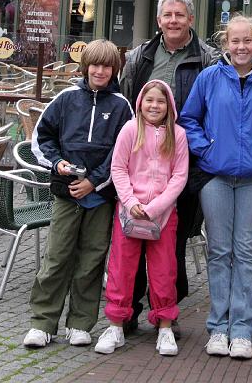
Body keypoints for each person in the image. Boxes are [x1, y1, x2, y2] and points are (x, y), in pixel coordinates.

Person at [179, 15, 252, 360]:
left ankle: (242, 330)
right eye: (235, 41)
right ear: (226, 44)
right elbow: (189, 119)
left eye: (247, 41)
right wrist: (205, 148)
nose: (241, 47)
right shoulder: (209, 77)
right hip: (216, 177)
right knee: (220, 251)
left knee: (246, 252)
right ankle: (218, 328)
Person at [23, 39, 133, 349]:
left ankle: (81, 323)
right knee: (57, 257)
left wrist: (95, 181)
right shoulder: (65, 98)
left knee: (92, 260)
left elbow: (122, 154)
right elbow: (41, 139)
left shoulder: (122, 106)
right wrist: (57, 162)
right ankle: (43, 323)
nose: (100, 71)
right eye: (95, 65)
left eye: (107, 66)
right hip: (65, 193)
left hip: (100, 197)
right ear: (85, 67)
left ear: (114, 70)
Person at [119, 0, 218, 332]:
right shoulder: (140, 57)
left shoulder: (208, 58)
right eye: (167, 15)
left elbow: (213, 110)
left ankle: (166, 313)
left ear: (191, 19)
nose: (173, 20)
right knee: (131, 242)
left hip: (183, 168)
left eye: (180, 15)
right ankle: (127, 311)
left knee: (171, 245)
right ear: (158, 20)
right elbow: (125, 101)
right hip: (139, 168)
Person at [95, 80, 189, 357]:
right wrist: (131, 201)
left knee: (164, 271)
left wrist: (157, 207)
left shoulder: (178, 135)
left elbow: (179, 176)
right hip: (129, 214)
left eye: (160, 101)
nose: (154, 106)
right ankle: (115, 325)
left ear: (169, 105)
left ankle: (165, 327)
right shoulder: (129, 129)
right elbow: (118, 168)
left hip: (162, 216)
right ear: (140, 103)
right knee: (121, 269)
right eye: (149, 101)